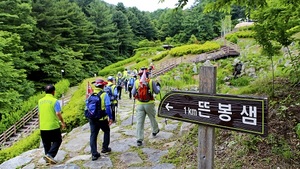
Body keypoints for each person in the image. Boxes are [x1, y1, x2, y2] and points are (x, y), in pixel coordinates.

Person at [132, 68, 161, 146]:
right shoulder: (151, 82)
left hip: (140, 104)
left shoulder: (137, 82)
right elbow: (157, 92)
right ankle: (155, 131)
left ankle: (139, 139)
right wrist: (158, 87)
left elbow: (133, 93)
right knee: (152, 118)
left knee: (139, 122)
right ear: (148, 74)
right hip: (149, 104)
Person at [38, 84, 66, 164]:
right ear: (53, 92)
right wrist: (63, 122)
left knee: (46, 143)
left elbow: (39, 114)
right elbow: (58, 113)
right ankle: (50, 155)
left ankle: (48, 158)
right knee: (58, 140)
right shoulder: (55, 101)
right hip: (53, 125)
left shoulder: (40, 101)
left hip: (43, 126)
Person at [89, 79, 113, 161]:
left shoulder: (91, 94)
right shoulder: (104, 94)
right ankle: (105, 148)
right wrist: (111, 118)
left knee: (93, 135)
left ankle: (94, 154)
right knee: (106, 131)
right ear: (103, 86)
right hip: (102, 119)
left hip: (92, 119)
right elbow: (108, 107)